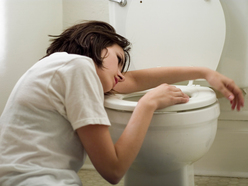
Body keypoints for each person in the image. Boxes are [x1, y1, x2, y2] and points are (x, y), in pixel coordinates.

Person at [0, 20, 244, 186]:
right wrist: (147, 104)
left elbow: (132, 79)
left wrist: (204, 72)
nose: (120, 74)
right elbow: (113, 170)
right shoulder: (78, 66)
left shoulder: (60, 66)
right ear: (94, 41)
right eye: (118, 59)